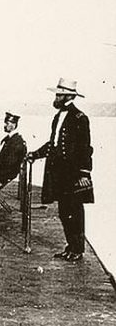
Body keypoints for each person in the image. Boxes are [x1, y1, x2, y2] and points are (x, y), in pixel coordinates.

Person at [27, 78, 93, 262]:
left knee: (75, 212)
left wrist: (84, 173)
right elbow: (53, 145)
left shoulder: (80, 118)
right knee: (65, 211)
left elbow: (85, 148)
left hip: (73, 174)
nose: (56, 97)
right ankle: (70, 246)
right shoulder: (58, 117)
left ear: (68, 96)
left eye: (58, 94)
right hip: (59, 174)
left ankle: (77, 249)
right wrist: (35, 154)